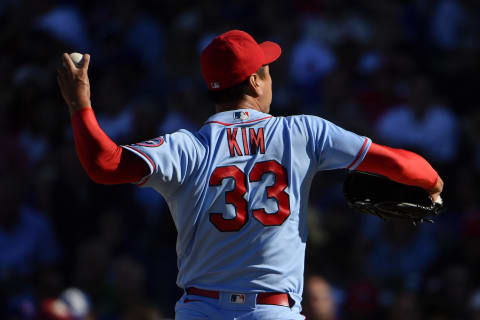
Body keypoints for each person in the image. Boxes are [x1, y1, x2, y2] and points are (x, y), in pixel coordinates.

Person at [57, 30, 443, 319]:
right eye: (267, 71)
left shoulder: (188, 146)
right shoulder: (302, 132)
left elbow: (103, 164)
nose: (271, 78)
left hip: (200, 310)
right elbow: (399, 164)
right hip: (270, 311)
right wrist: (432, 183)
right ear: (256, 81)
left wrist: (80, 105)